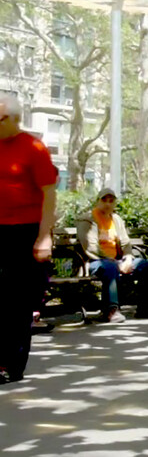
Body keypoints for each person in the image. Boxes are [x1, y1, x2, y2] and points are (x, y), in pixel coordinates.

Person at [0, 94, 58, 384]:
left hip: (24, 231)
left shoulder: (33, 148)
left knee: (16, 302)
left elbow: (49, 195)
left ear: (13, 118)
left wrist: (44, 236)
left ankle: (10, 364)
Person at [76, 189, 148, 322]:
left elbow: (125, 243)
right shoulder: (87, 219)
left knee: (144, 265)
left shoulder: (116, 219)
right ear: (97, 201)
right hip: (92, 261)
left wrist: (128, 259)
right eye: (104, 200)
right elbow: (90, 246)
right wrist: (115, 262)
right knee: (110, 267)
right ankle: (111, 310)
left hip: (116, 261)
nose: (107, 204)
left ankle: (146, 308)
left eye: (111, 201)